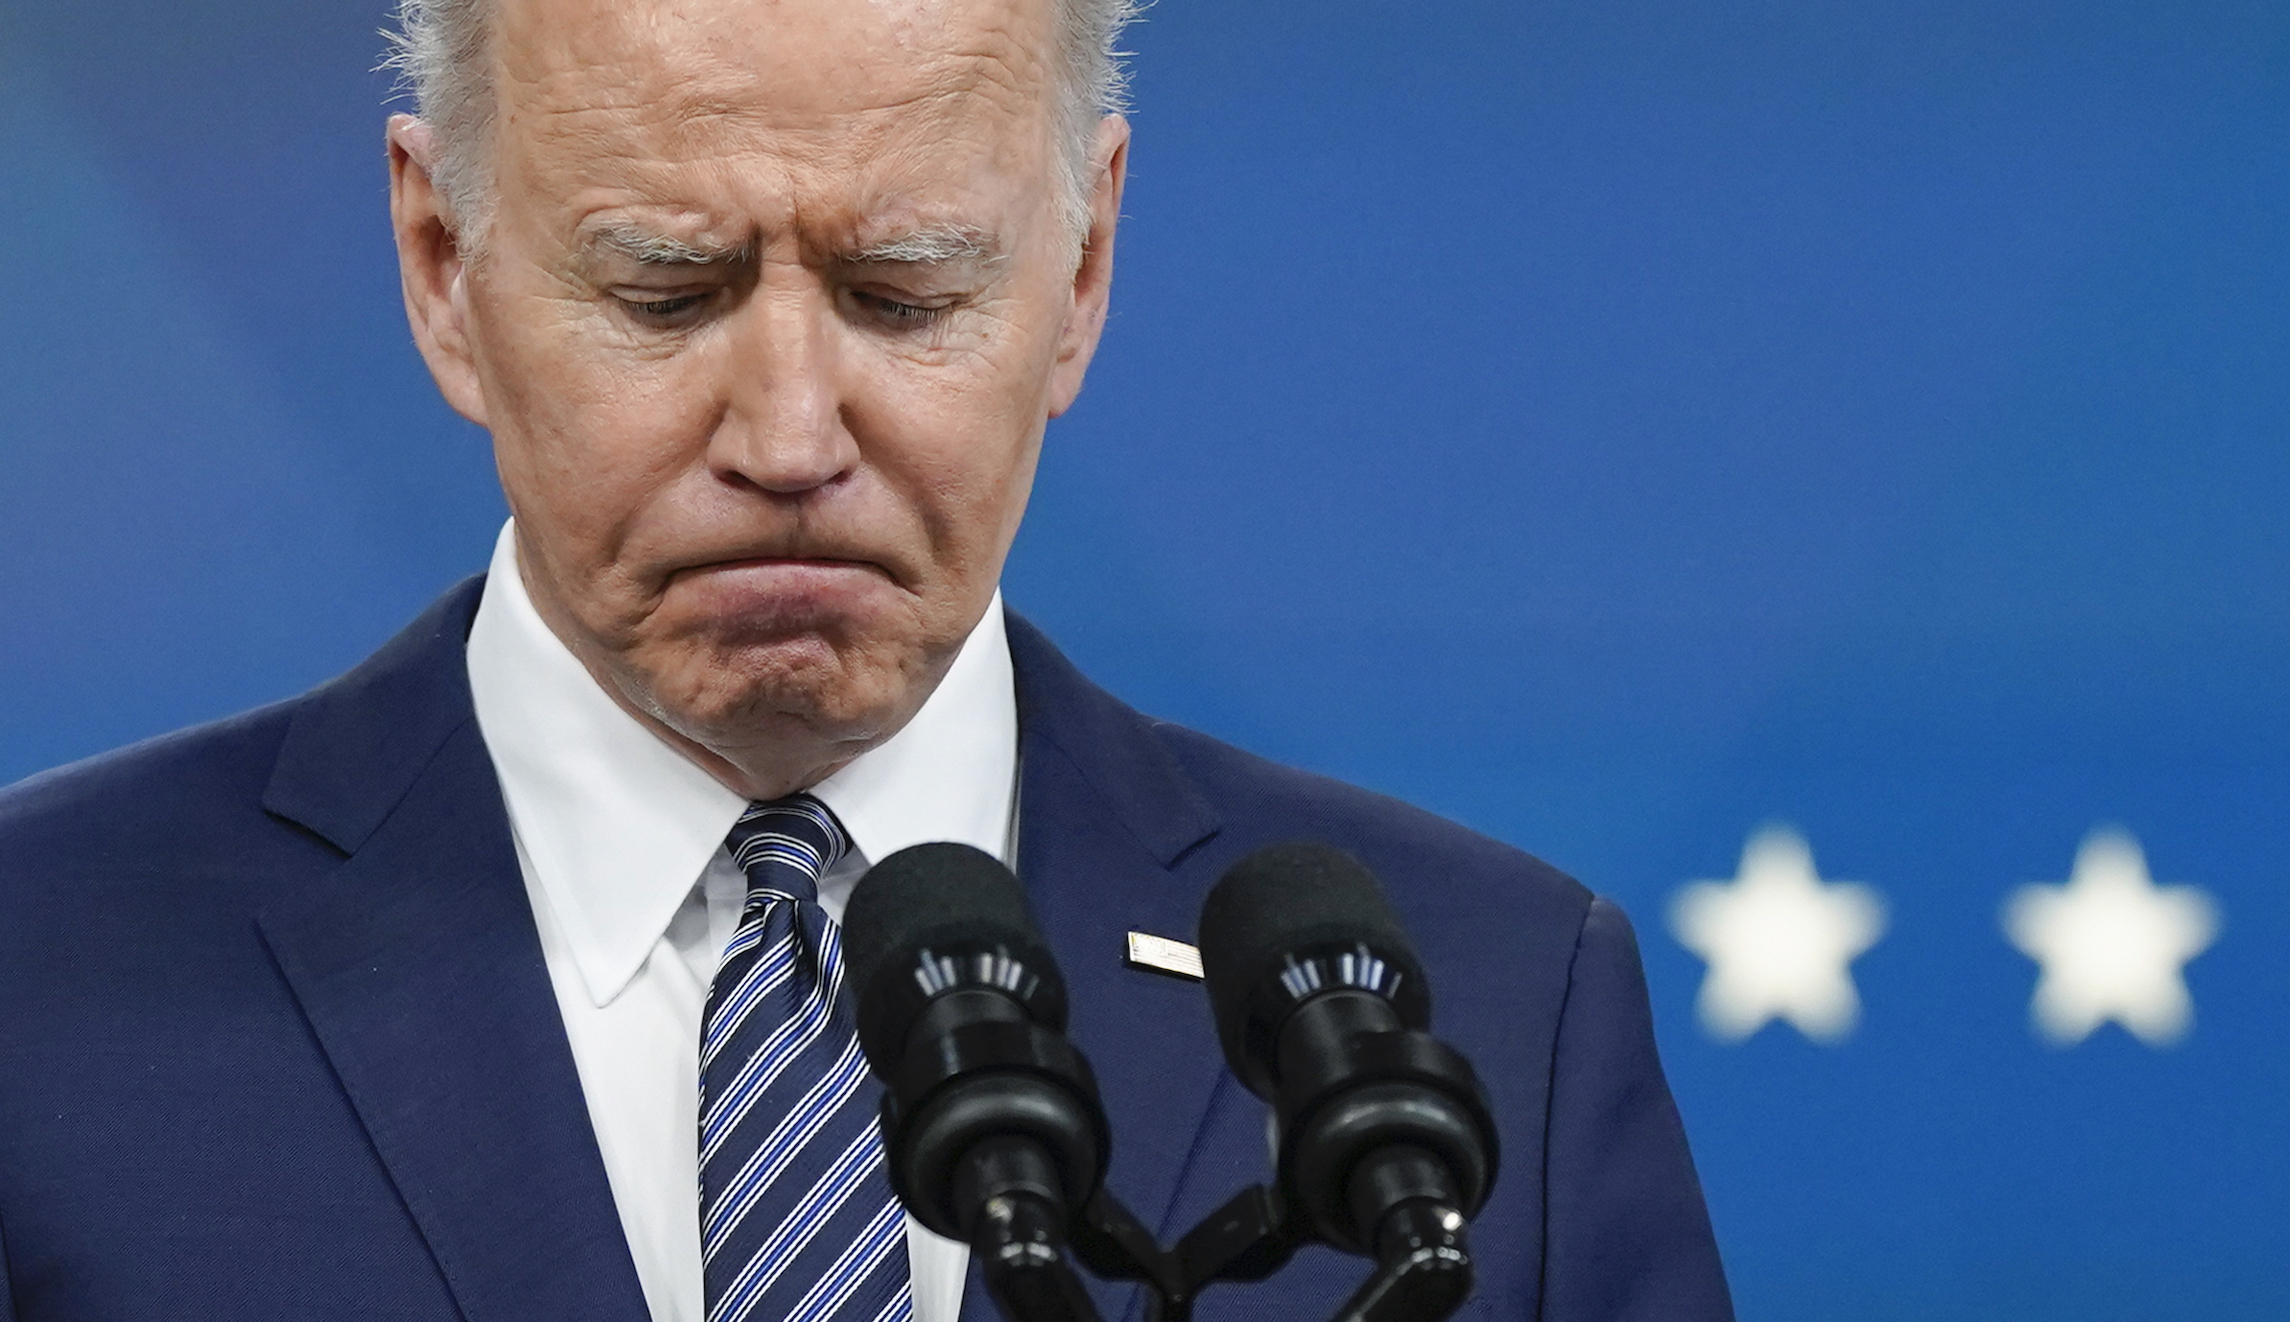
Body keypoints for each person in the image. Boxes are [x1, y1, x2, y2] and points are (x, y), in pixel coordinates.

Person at [0, 0, 1732, 1317]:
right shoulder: (40, 974)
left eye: (905, 293)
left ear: (1081, 269)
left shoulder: (1502, 1006)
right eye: (664, 290)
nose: (787, 435)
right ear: (443, 266)